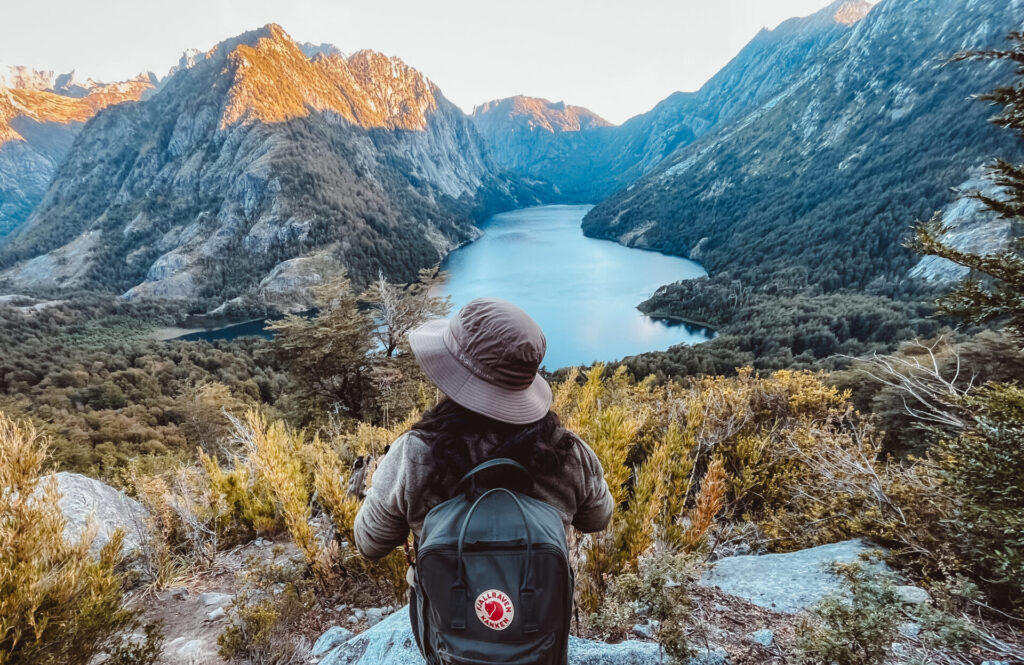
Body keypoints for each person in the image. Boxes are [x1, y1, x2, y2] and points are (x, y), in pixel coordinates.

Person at [353, 296, 614, 577]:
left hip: (448, 617)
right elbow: (597, 519)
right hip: (539, 615)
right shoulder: (566, 452)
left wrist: (381, 482)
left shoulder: (414, 454)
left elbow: (371, 544)